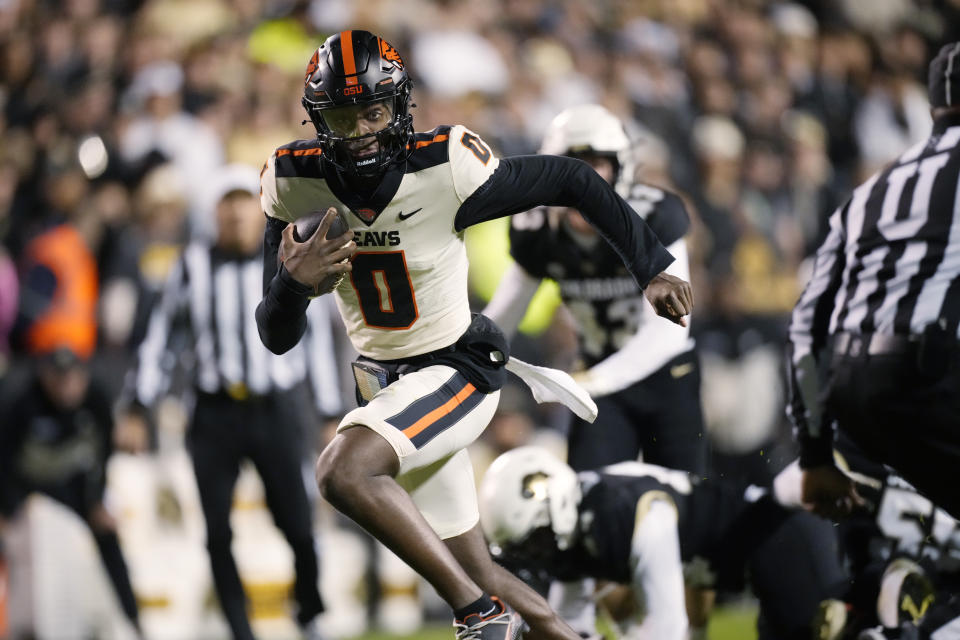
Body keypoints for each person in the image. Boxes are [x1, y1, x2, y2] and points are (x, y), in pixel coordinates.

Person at [255, 30, 692, 640]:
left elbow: (571, 177)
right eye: (342, 117)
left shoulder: (444, 166)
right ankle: (547, 626)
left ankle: (478, 616)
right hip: (385, 388)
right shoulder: (291, 179)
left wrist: (650, 266)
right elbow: (274, 335)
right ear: (316, 118)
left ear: (400, 106)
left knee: (342, 472)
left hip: (457, 370)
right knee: (478, 565)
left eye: (372, 112)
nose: (358, 133)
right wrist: (292, 287)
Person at [786, 42, 960, 640]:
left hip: (853, 391)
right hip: (934, 376)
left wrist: (813, 453)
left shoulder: (873, 190)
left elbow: (806, 323)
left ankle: (875, 597)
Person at [124, 165, 337, 640]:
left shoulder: (284, 259)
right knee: (217, 531)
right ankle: (241, 630)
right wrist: (138, 407)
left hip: (274, 406)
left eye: (244, 201)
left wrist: (328, 412)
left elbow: (317, 340)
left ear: (258, 208)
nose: (237, 212)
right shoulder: (190, 266)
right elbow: (159, 340)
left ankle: (310, 610)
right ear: (214, 211)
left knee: (298, 524)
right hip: (214, 410)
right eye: (227, 202)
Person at [483, 104, 707, 475]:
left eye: (595, 164)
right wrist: (458, 356)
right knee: (591, 498)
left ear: (622, 168)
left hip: (665, 376)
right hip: (594, 377)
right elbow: (505, 313)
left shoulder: (655, 215)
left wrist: (590, 382)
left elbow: (670, 334)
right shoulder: (538, 230)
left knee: (683, 500)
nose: (582, 181)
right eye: (571, 165)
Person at [478, 446, 848, 640]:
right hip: (739, 563)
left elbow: (668, 625)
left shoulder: (626, 510)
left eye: (534, 540)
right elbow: (568, 622)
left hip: (777, 539)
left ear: (553, 505)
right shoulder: (577, 524)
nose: (536, 554)